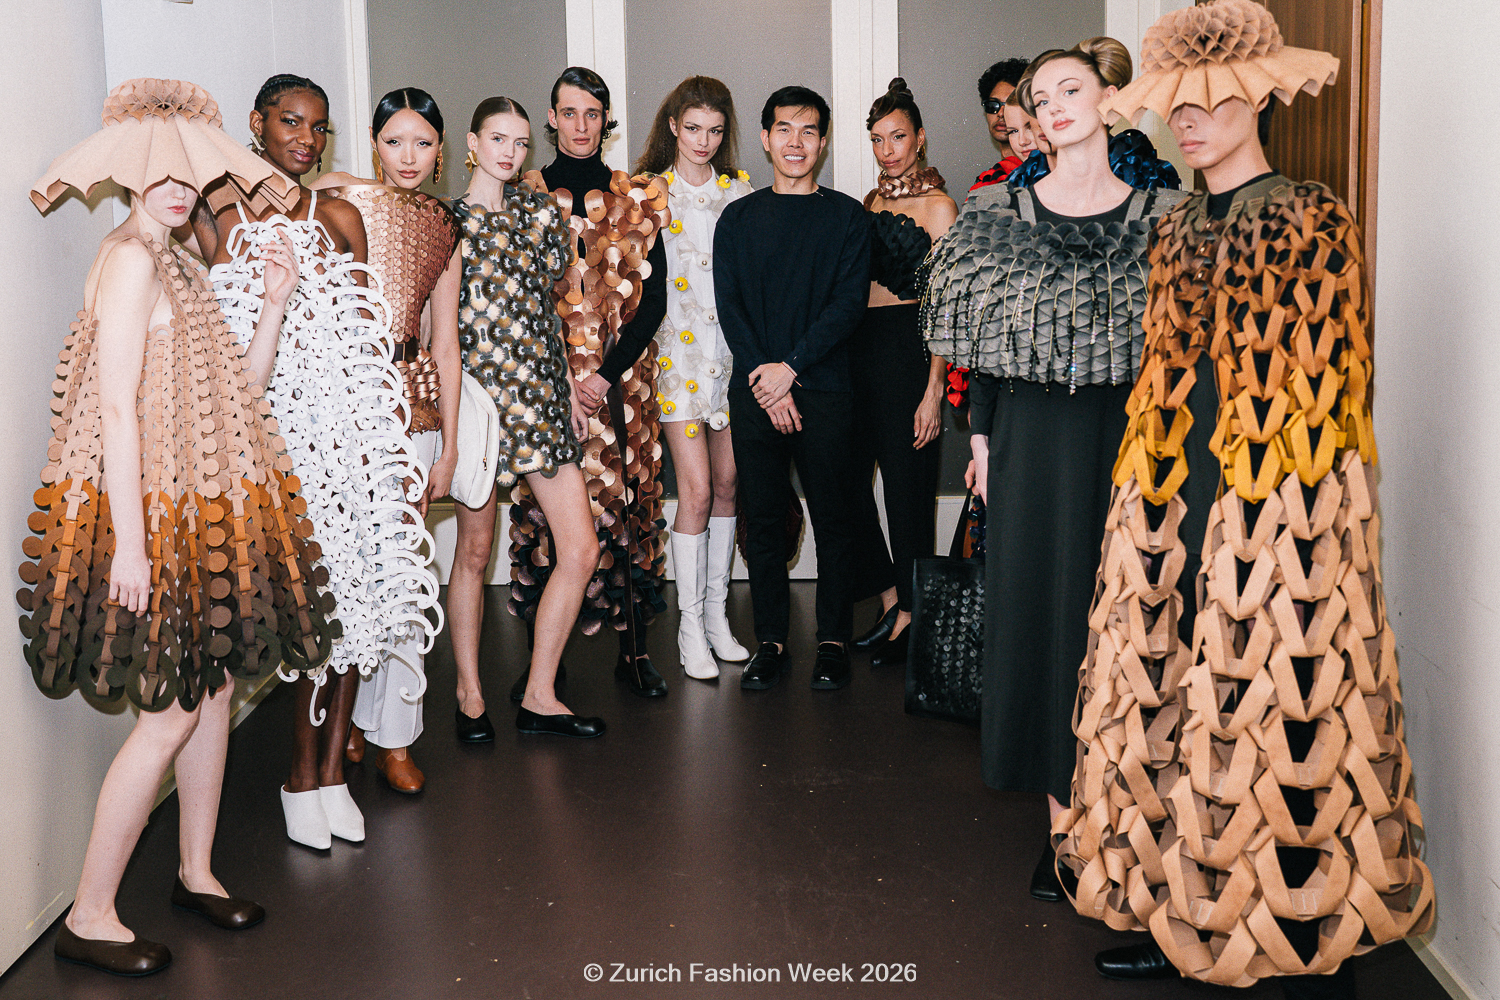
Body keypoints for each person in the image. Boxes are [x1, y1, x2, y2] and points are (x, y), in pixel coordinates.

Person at [1051, 3, 1433, 994]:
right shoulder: (1179, 223)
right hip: (1174, 483)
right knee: (1170, 687)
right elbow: (1163, 363)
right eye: (1176, 104)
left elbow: (1333, 376)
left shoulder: (1309, 213)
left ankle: (1295, 932)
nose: (1187, 119)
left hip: (1276, 493)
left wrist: (1284, 506)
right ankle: (1178, 906)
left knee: (1271, 704)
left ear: (1256, 98)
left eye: (1210, 101)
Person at [23, 78, 330, 975]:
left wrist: (273, 303)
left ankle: (195, 872)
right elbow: (116, 408)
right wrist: (130, 543)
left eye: (186, 177)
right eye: (158, 176)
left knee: (216, 688)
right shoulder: (128, 258)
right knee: (169, 714)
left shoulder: (180, 260)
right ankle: (88, 915)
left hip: (199, 511)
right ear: (130, 176)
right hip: (150, 515)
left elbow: (236, 395)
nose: (175, 189)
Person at [921, 38, 1187, 903]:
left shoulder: (1165, 215)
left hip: (1131, 436)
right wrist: (982, 444)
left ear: (1109, 97)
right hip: (1030, 440)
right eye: (1041, 98)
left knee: (1128, 615)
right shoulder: (998, 213)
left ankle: (1133, 821)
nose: (1055, 106)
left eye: (1072, 89)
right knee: (1040, 623)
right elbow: (980, 348)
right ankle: (1064, 833)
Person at [211, 74, 440, 849]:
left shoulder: (339, 216)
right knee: (311, 614)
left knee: (358, 606)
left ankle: (333, 776)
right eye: (289, 122)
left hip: (347, 439)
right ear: (258, 122)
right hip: (272, 439)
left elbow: (365, 341)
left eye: (317, 127)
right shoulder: (221, 214)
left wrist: (381, 449)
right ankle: (297, 777)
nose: (304, 139)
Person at [309, 87, 462, 791]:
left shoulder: (444, 224)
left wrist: (450, 447)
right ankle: (344, 723)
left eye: (423, 143)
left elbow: (446, 343)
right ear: (373, 144)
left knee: (405, 574)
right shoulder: (337, 196)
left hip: (415, 405)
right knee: (348, 570)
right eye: (394, 141)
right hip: (343, 403)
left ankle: (395, 736)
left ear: (441, 152)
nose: (408, 156)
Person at [445, 95, 604, 740]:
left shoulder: (539, 212)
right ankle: (469, 693)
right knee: (474, 551)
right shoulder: (447, 221)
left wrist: (565, 388)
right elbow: (438, 331)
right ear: (472, 142)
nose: (509, 153)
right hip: (479, 406)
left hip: (539, 398)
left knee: (581, 548)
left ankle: (540, 693)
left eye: (518, 142)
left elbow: (548, 310)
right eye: (497, 139)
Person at [513, 66, 672, 699]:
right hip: (543, 388)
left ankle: (635, 652)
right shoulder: (522, 196)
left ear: (606, 121)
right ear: (551, 118)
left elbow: (654, 302)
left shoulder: (638, 199)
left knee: (631, 511)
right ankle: (542, 666)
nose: (581, 125)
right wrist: (561, 378)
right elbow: (517, 300)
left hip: (622, 388)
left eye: (593, 113)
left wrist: (604, 376)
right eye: (569, 112)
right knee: (544, 523)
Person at [714, 86, 870, 691]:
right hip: (756, 390)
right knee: (763, 519)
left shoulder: (847, 217)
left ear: (823, 142)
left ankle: (832, 641)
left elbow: (847, 306)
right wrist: (770, 380)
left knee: (834, 518)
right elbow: (731, 308)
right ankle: (771, 641)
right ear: (765, 138)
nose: (795, 142)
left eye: (808, 131)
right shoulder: (739, 218)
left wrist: (792, 369)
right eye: (784, 129)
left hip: (825, 390)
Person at [634, 76, 753, 681]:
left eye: (715, 130)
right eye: (693, 128)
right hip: (676, 364)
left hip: (731, 359)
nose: (703, 141)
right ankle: (688, 626)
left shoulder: (740, 194)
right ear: (673, 127)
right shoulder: (649, 195)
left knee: (729, 485)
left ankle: (716, 618)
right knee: (698, 490)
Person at [846, 79, 955, 665]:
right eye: (877, 139)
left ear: (920, 138)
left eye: (897, 137)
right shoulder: (869, 202)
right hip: (859, 351)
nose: (887, 150)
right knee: (847, 484)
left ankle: (914, 617)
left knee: (908, 490)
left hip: (911, 352)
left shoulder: (940, 207)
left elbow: (945, 305)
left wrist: (934, 389)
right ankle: (893, 601)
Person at [971, 57, 1032, 191]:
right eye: (993, 105)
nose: (1000, 113)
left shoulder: (1044, 172)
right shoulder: (988, 179)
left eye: (1010, 103)